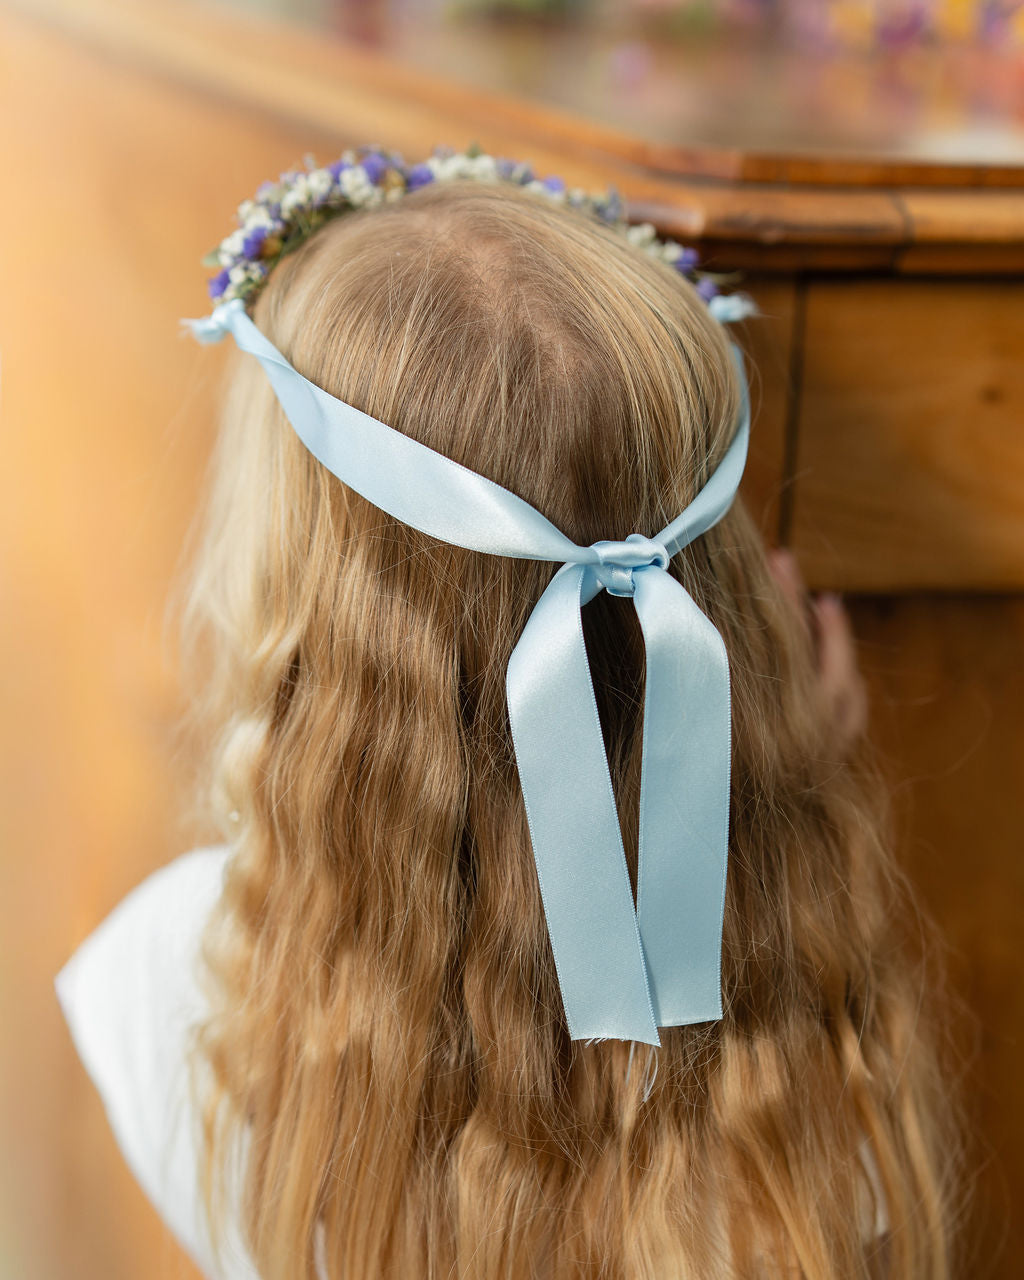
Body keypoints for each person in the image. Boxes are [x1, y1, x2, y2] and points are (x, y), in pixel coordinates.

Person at [56, 147, 962, 1280]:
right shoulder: (810, 1070)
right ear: (726, 594)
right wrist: (786, 791)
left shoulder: (187, 982)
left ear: (305, 612)